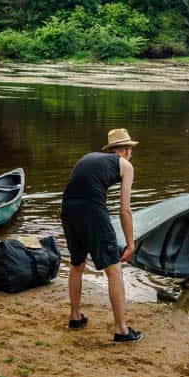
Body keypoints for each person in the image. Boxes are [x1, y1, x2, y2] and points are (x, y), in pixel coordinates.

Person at [61, 128, 143, 343]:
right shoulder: (125, 165)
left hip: (68, 209)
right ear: (125, 150)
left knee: (77, 264)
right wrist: (130, 243)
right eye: (130, 150)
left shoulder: (89, 158)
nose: (131, 154)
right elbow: (125, 209)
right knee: (114, 269)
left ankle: (75, 316)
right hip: (91, 211)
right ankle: (122, 330)